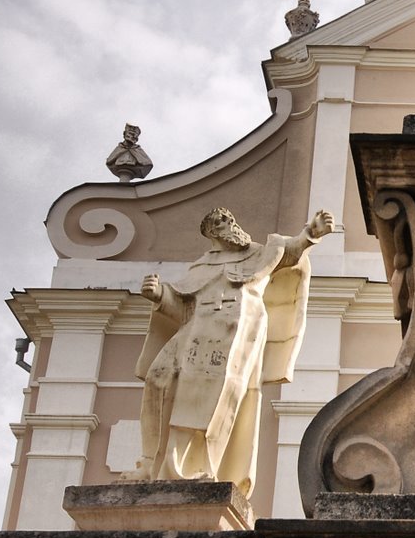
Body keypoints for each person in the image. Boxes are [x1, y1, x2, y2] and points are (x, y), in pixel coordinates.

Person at [126, 205, 334, 494]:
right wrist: (159, 295)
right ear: (211, 232)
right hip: (196, 330)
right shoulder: (201, 267)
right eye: (221, 221)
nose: (230, 223)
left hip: (237, 333)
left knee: (215, 400)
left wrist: (311, 233)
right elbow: (183, 309)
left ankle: (199, 467)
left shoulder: (261, 253)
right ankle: (152, 463)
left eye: (229, 218)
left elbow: (289, 252)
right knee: (158, 379)